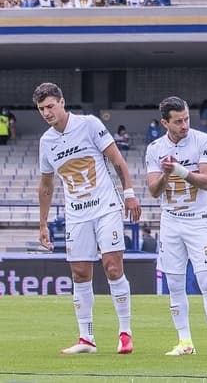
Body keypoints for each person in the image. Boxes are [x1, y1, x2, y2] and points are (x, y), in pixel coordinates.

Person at [35, 81, 141, 355]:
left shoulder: (89, 124)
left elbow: (118, 161)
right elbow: (47, 185)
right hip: (76, 214)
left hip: (105, 206)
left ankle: (125, 333)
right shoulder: (46, 142)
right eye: (41, 109)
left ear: (61, 102)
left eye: (50, 106)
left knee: (112, 267)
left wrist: (129, 194)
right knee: (79, 273)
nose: (46, 113)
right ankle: (87, 339)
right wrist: (43, 223)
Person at [144, 96, 207, 357]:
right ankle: (185, 341)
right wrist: (166, 174)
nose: (184, 125)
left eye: (186, 119)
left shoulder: (203, 141)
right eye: (178, 121)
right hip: (170, 222)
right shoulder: (155, 148)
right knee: (174, 283)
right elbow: (154, 191)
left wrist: (178, 170)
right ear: (164, 122)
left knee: (206, 280)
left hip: (198, 221)